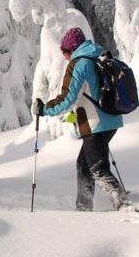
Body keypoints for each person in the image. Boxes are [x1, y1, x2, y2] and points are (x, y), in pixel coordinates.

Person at [33, 27, 127, 212]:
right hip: (110, 119)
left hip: (96, 124)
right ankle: (84, 206)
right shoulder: (100, 56)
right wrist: (75, 116)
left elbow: (67, 98)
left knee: (97, 169)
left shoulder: (79, 63)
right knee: (84, 165)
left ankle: (124, 204)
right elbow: (91, 92)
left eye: (65, 52)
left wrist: (44, 109)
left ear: (71, 49)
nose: (65, 57)